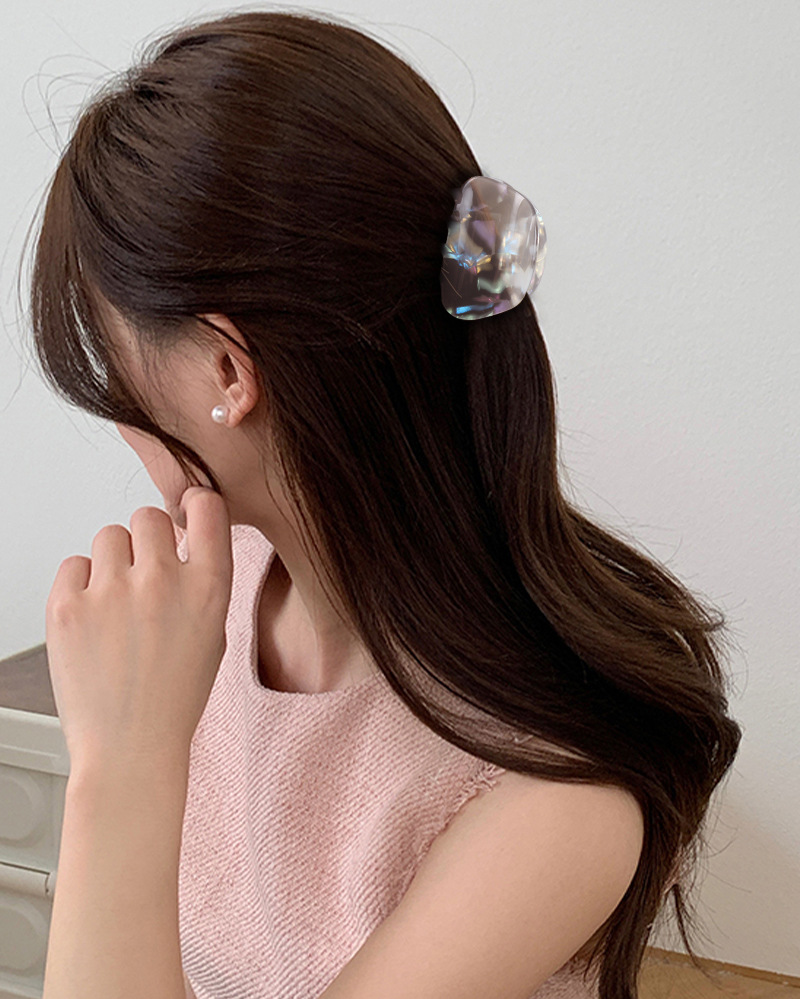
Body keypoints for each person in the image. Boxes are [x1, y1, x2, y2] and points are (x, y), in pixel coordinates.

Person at [28, 9, 742, 999]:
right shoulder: (214, 604)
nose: (117, 413)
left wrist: (121, 768)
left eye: (112, 361)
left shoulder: (550, 794)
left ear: (226, 370)